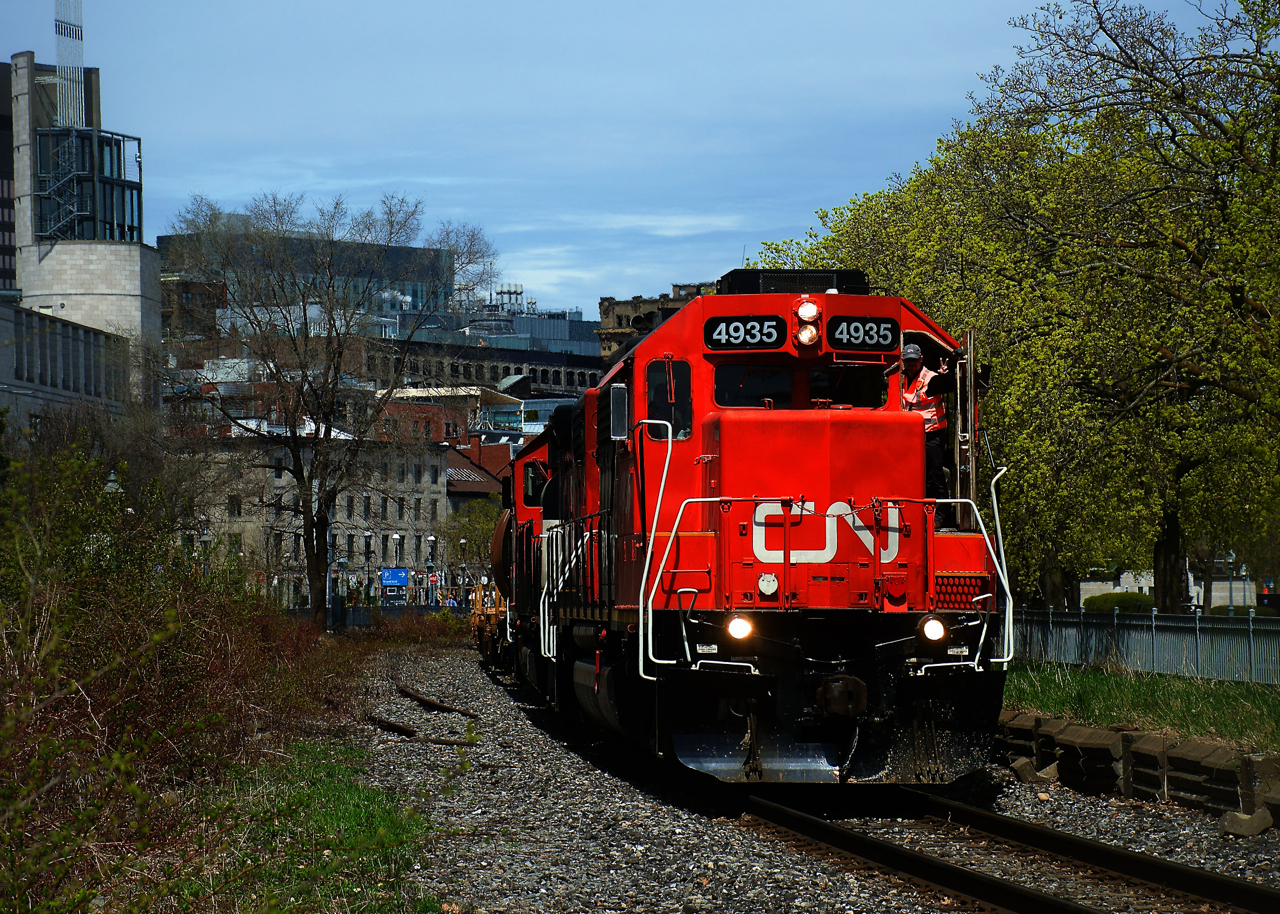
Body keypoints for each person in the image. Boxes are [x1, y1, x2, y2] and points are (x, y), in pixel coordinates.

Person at [899, 343, 957, 526]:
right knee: (912, 476)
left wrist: (945, 375)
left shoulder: (931, 378)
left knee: (935, 476)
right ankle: (913, 513)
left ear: (921, 360)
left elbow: (945, 385)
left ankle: (940, 516)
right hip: (909, 438)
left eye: (914, 361)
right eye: (908, 361)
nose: (911, 364)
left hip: (932, 436)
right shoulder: (898, 380)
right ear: (903, 362)